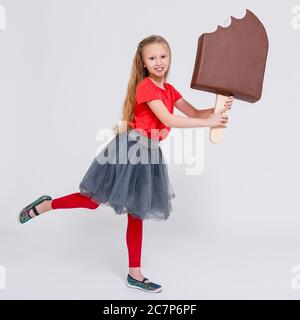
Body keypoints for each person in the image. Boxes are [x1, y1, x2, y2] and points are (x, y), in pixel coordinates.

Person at [18, 34, 233, 293]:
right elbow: (169, 119)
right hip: (130, 150)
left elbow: (194, 113)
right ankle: (46, 205)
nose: (159, 62)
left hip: (150, 154)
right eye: (152, 58)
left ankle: (134, 274)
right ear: (143, 63)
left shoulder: (170, 90)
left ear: (170, 58)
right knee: (92, 200)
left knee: (136, 213)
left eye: (163, 56)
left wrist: (217, 110)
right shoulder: (146, 88)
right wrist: (206, 123)